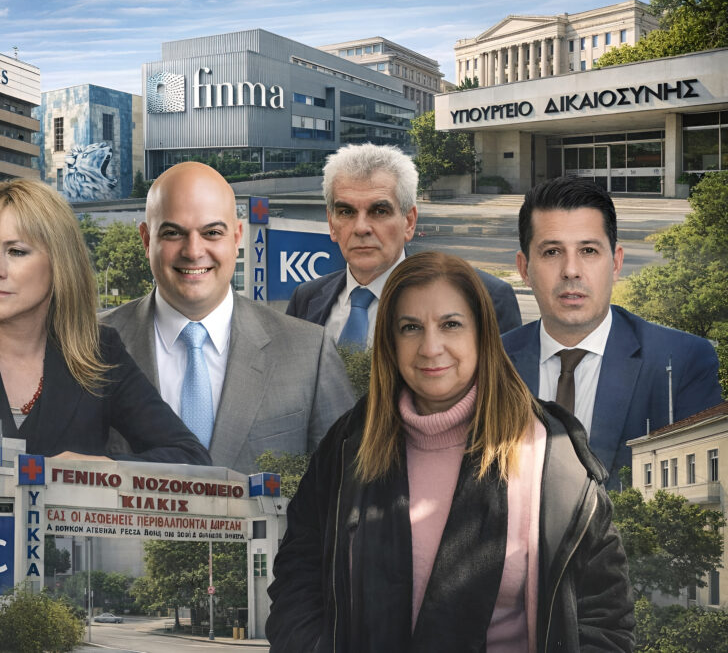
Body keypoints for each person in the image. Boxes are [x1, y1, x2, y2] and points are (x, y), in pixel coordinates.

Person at [267, 251, 634, 652]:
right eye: (410, 327)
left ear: (482, 334)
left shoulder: (553, 455)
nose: (430, 347)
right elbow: (297, 582)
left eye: (451, 325)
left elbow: (606, 620)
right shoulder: (346, 447)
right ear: (390, 342)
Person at [0, 179, 210, 464]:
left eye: (16, 251)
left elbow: (191, 456)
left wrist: (104, 469)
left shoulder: (100, 352)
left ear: (59, 262)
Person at [102, 162, 353, 472]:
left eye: (212, 233)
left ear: (236, 238)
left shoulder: (309, 351)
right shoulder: (85, 346)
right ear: (146, 239)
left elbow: (347, 483)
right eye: (173, 233)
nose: (193, 251)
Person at [504, 177, 722, 478]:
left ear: (616, 263)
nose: (571, 271)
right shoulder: (489, 361)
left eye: (588, 251)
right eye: (552, 252)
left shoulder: (683, 360)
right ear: (524, 268)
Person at [286, 143, 522, 348]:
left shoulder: (484, 297)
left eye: (379, 211)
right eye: (346, 212)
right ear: (331, 224)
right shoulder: (305, 300)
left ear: (409, 222)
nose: (361, 228)